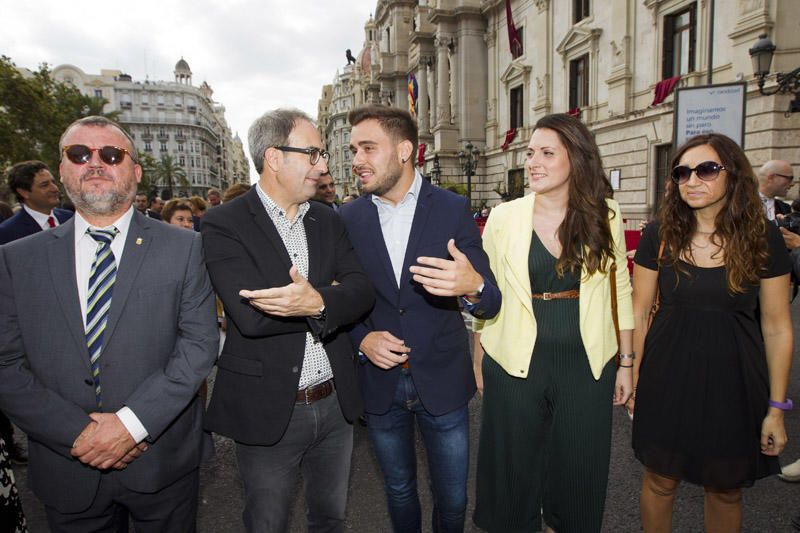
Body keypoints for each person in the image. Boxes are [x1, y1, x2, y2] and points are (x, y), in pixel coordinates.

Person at [0, 115, 219, 531]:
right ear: (63, 169)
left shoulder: (185, 247)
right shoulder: (16, 259)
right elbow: (5, 364)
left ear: (134, 171)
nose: (95, 163)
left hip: (161, 464)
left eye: (111, 154)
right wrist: (78, 433)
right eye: (79, 154)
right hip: (67, 467)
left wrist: (131, 425)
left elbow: (197, 347)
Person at [201, 108, 374, 533]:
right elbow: (252, 316)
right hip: (269, 409)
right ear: (274, 157)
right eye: (314, 153)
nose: (326, 164)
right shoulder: (224, 223)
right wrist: (331, 299)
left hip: (335, 405)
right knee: (267, 522)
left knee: (330, 519)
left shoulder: (327, 219)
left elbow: (362, 292)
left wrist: (314, 301)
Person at [341, 104, 500, 533]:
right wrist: (361, 339)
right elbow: (337, 301)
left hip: (443, 380)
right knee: (398, 490)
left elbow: (491, 301)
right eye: (354, 149)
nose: (356, 160)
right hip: (379, 384)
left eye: (368, 148)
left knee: (452, 497)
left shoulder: (451, 208)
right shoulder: (348, 218)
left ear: (405, 150)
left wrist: (473, 285)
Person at [471, 113, 633, 532]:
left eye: (546, 153)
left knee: (580, 467)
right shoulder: (505, 217)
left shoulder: (605, 215)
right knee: (512, 468)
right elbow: (487, 291)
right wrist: (479, 356)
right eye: (530, 153)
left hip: (586, 362)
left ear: (575, 160)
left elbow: (621, 292)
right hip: (514, 358)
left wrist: (627, 364)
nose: (533, 162)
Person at [630, 133, 792, 531]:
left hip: (734, 379)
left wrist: (776, 408)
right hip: (666, 376)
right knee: (660, 480)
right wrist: (631, 375)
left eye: (706, 169)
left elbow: (776, 327)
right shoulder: (659, 234)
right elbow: (638, 310)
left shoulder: (763, 239)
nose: (692, 180)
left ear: (732, 175)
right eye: (682, 172)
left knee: (725, 488)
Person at [0, 160, 73, 244]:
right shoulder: (8, 232)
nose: (54, 189)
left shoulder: (69, 218)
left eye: (53, 182)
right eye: (45, 185)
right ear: (24, 192)